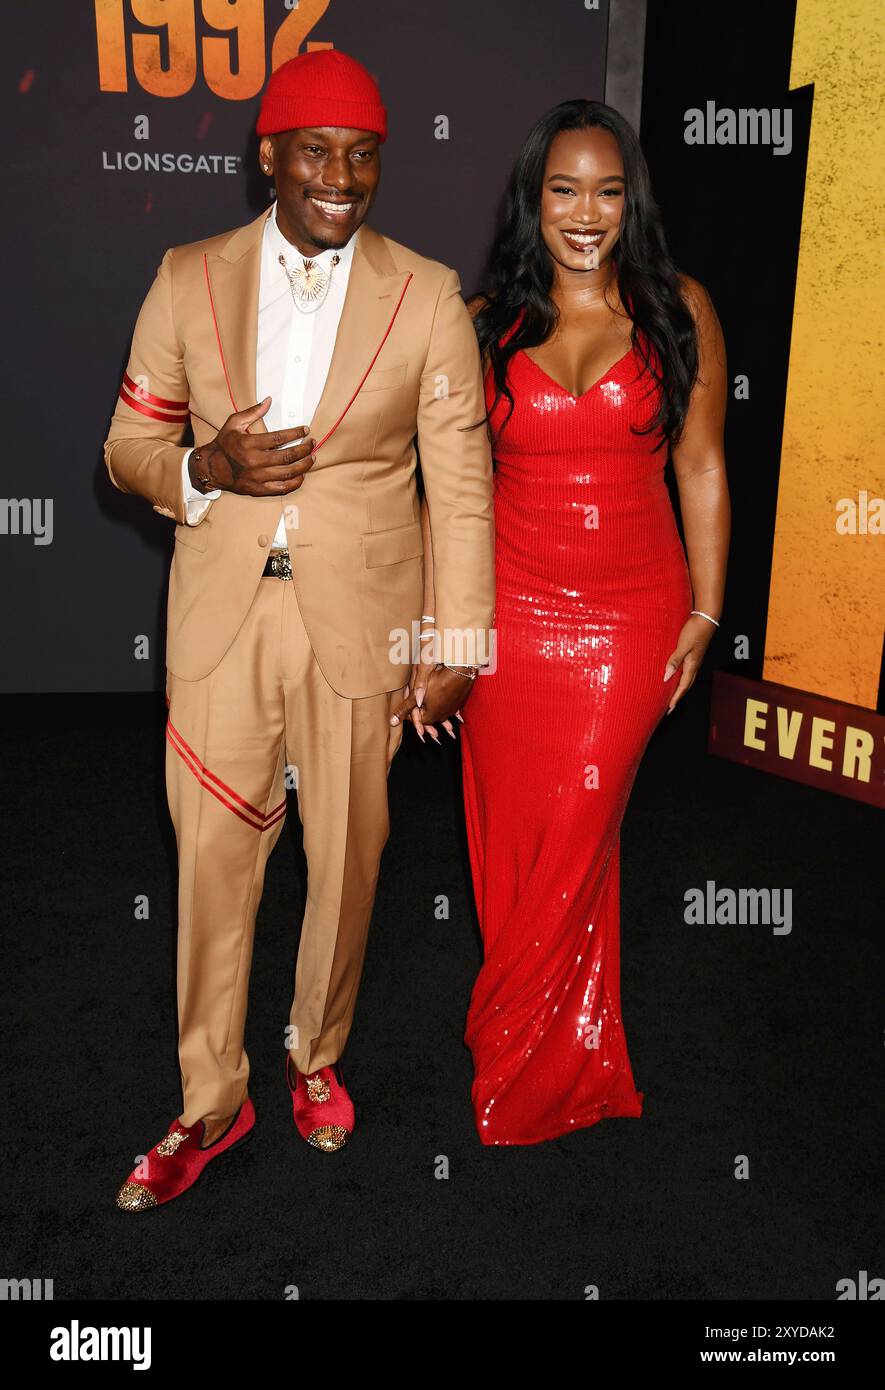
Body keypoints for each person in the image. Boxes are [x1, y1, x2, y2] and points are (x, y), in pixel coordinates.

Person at [105, 49, 494, 1209]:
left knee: (350, 858)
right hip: (222, 613)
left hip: (364, 623)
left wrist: (456, 648)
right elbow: (125, 452)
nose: (341, 176)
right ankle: (209, 1096)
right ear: (266, 155)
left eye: (362, 155)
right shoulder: (185, 278)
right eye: (317, 152)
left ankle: (313, 1054)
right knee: (214, 859)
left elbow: (461, 486)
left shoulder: (428, 297)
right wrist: (206, 466)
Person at [414, 99, 729, 1145]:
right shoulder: (484, 320)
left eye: (606, 189)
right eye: (563, 189)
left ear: (630, 199)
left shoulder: (677, 309)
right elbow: (446, 496)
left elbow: (701, 465)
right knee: (515, 841)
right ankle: (561, 1057)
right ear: (532, 200)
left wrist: (707, 609)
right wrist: (439, 635)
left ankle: (510, 1037)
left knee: (577, 837)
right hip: (509, 621)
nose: (585, 212)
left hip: (631, 623)